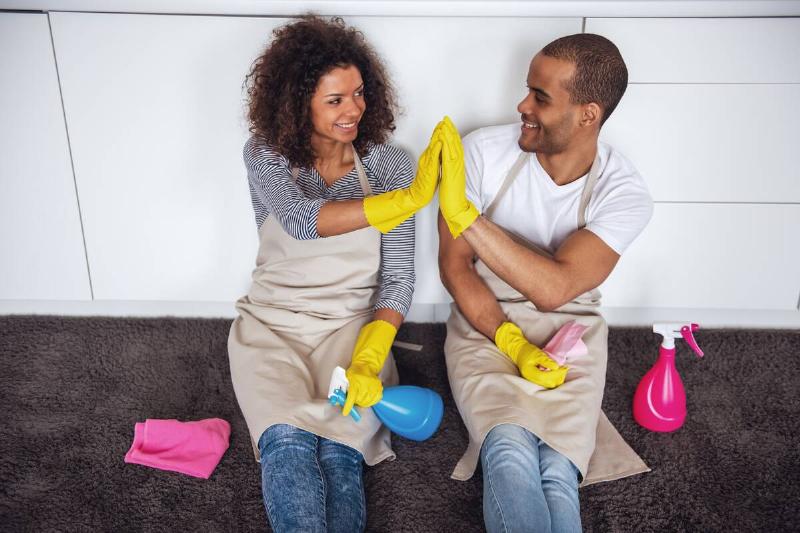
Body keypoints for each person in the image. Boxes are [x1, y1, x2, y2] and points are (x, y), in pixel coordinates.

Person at [227, 16, 442, 533]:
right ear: (298, 102)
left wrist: (371, 353)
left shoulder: (390, 166)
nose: (354, 110)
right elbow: (302, 221)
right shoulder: (266, 154)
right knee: (286, 441)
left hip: (350, 329)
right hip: (271, 328)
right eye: (335, 100)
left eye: (359, 93)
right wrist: (402, 202)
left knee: (340, 450)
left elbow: (398, 280)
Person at [437, 34, 654, 532]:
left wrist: (463, 214)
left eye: (540, 97)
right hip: (484, 319)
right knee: (508, 448)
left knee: (558, 464)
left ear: (587, 114)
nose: (523, 106)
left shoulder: (623, 193)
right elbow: (455, 267)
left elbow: (556, 290)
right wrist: (509, 340)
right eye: (527, 90)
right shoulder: (481, 152)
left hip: (570, 329)